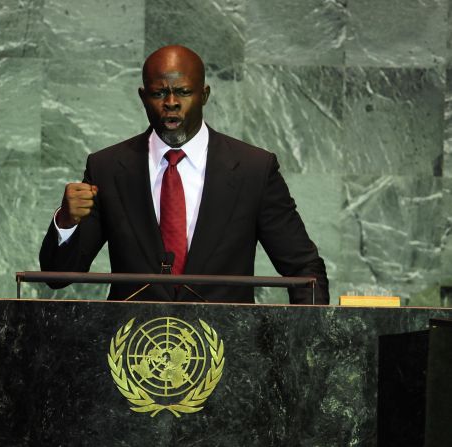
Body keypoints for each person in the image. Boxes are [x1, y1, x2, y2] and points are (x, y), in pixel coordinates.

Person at [39, 45, 329, 304]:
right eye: (159, 92)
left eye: (184, 91)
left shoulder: (253, 169)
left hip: (228, 351)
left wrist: (308, 350)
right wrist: (66, 221)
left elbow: (304, 269)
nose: (171, 102)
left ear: (204, 95)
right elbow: (57, 276)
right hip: (133, 352)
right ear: (143, 97)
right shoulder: (108, 168)